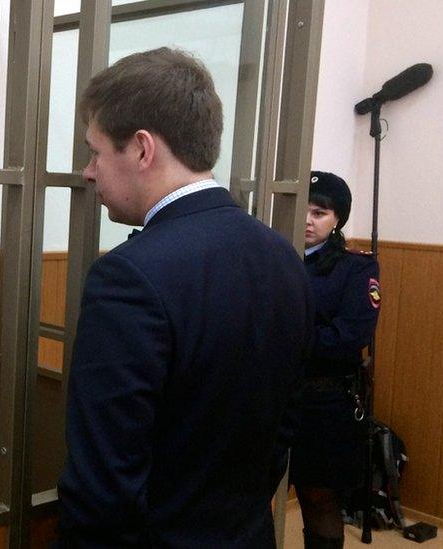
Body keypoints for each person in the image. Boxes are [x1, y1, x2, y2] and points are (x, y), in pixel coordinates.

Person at [56, 47, 314, 547]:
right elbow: (282, 431)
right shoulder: (283, 257)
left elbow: (105, 480)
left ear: (142, 149)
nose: (88, 172)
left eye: (96, 151)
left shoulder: (128, 276)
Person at [291, 171, 380, 549]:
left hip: (323, 400)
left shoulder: (354, 267)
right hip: (271, 393)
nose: (308, 220)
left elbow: (350, 337)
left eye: (320, 212)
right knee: (250, 489)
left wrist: (284, 338)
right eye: (303, 210)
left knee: (318, 496)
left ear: (337, 219)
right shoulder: (273, 254)